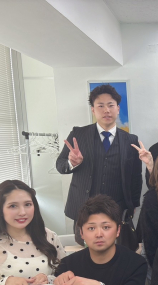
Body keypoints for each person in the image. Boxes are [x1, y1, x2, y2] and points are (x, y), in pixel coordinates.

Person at [56, 84, 142, 245]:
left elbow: (136, 176)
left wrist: (133, 204)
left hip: (117, 210)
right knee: (85, 249)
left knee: (119, 250)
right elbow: (60, 165)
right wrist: (72, 163)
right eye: (100, 106)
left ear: (117, 109)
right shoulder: (78, 135)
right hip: (84, 209)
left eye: (110, 105)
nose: (106, 110)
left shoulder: (131, 140)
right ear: (93, 110)